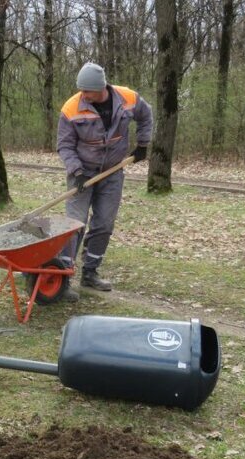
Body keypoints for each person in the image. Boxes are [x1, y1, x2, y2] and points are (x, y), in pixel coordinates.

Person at [56, 62, 153, 300]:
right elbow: (65, 145)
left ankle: (90, 272)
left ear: (100, 88)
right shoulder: (71, 108)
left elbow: (146, 115)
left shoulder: (128, 98)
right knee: (74, 224)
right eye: (81, 91)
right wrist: (76, 171)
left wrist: (142, 144)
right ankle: (63, 278)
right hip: (82, 173)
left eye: (87, 91)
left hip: (112, 172)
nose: (83, 95)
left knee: (104, 223)